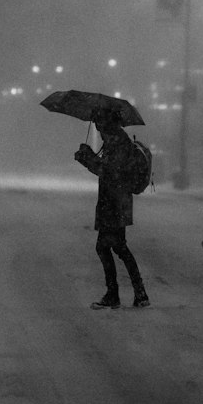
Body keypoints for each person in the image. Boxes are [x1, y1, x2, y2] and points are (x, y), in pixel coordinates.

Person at [75, 110, 149, 309]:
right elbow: (110, 171)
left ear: (107, 125)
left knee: (108, 247)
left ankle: (116, 293)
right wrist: (90, 158)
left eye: (100, 124)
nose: (98, 129)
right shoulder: (116, 143)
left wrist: (88, 159)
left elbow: (110, 173)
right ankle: (137, 293)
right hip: (116, 203)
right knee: (118, 247)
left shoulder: (118, 145)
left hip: (114, 204)